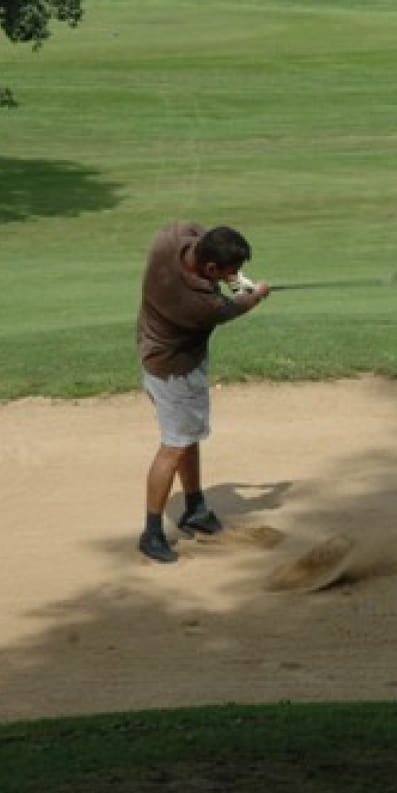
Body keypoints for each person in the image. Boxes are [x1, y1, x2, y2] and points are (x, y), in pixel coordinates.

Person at [136, 222, 271, 563]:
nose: (235, 275)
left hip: (155, 351)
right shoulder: (199, 304)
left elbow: (195, 230)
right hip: (174, 371)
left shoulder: (168, 241)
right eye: (230, 271)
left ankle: (194, 508)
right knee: (175, 445)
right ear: (210, 269)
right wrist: (254, 294)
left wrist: (234, 278)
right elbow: (231, 308)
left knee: (188, 437)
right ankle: (151, 533)